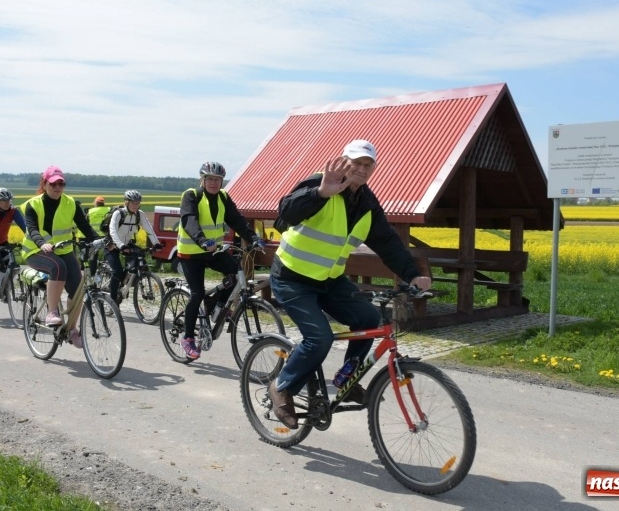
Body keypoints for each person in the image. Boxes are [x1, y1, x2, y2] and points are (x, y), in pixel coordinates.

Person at [268, 139, 432, 429]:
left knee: (368, 319)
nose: (361, 168)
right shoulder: (321, 182)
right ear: (343, 161)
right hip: (292, 278)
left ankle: (347, 379)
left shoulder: (367, 202)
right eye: (356, 162)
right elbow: (284, 214)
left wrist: (411, 273)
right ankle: (282, 387)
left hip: (330, 280)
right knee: (320, 338)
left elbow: (387, 242)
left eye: (368, 164)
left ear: (373, 169)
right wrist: (320, 193)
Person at [177, 162, 263, 360]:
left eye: (217, 179)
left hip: (212, 251)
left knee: (235, 273)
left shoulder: (223, 197)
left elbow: (236, 220)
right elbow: (189, 220)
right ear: (202, 180)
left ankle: (217, 306)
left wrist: (253, 237)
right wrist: (201, 240)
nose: (214, 183)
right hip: (191, 252)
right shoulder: (191, 195)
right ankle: (188, 338)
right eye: (209, 179)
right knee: (196, 294)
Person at [22, 166, 100, 349]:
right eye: (53, 183)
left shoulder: (71, 203)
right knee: (58, 267)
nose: (58, 187)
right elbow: (32, 229)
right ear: (45, 183)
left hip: (63, 250)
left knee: (79, 288)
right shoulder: (33, 204)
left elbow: (85, 227)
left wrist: (102, 241)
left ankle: (72, 329)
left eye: (61, 183)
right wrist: (42, 243)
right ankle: (51, 312)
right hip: (36, 250)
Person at [103, 190, 163, 304]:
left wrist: (156, 243)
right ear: (126, 202)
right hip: (112, 244)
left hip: (127, 243)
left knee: (138, 259)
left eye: (138, 203)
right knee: (117, 271)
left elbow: (149, 229)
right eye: (133, 203)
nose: (136, 205)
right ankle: (113, 300)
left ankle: (125, 281)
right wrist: (120, 245)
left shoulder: (139, 214)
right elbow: (113, 232)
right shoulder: (118, 213)